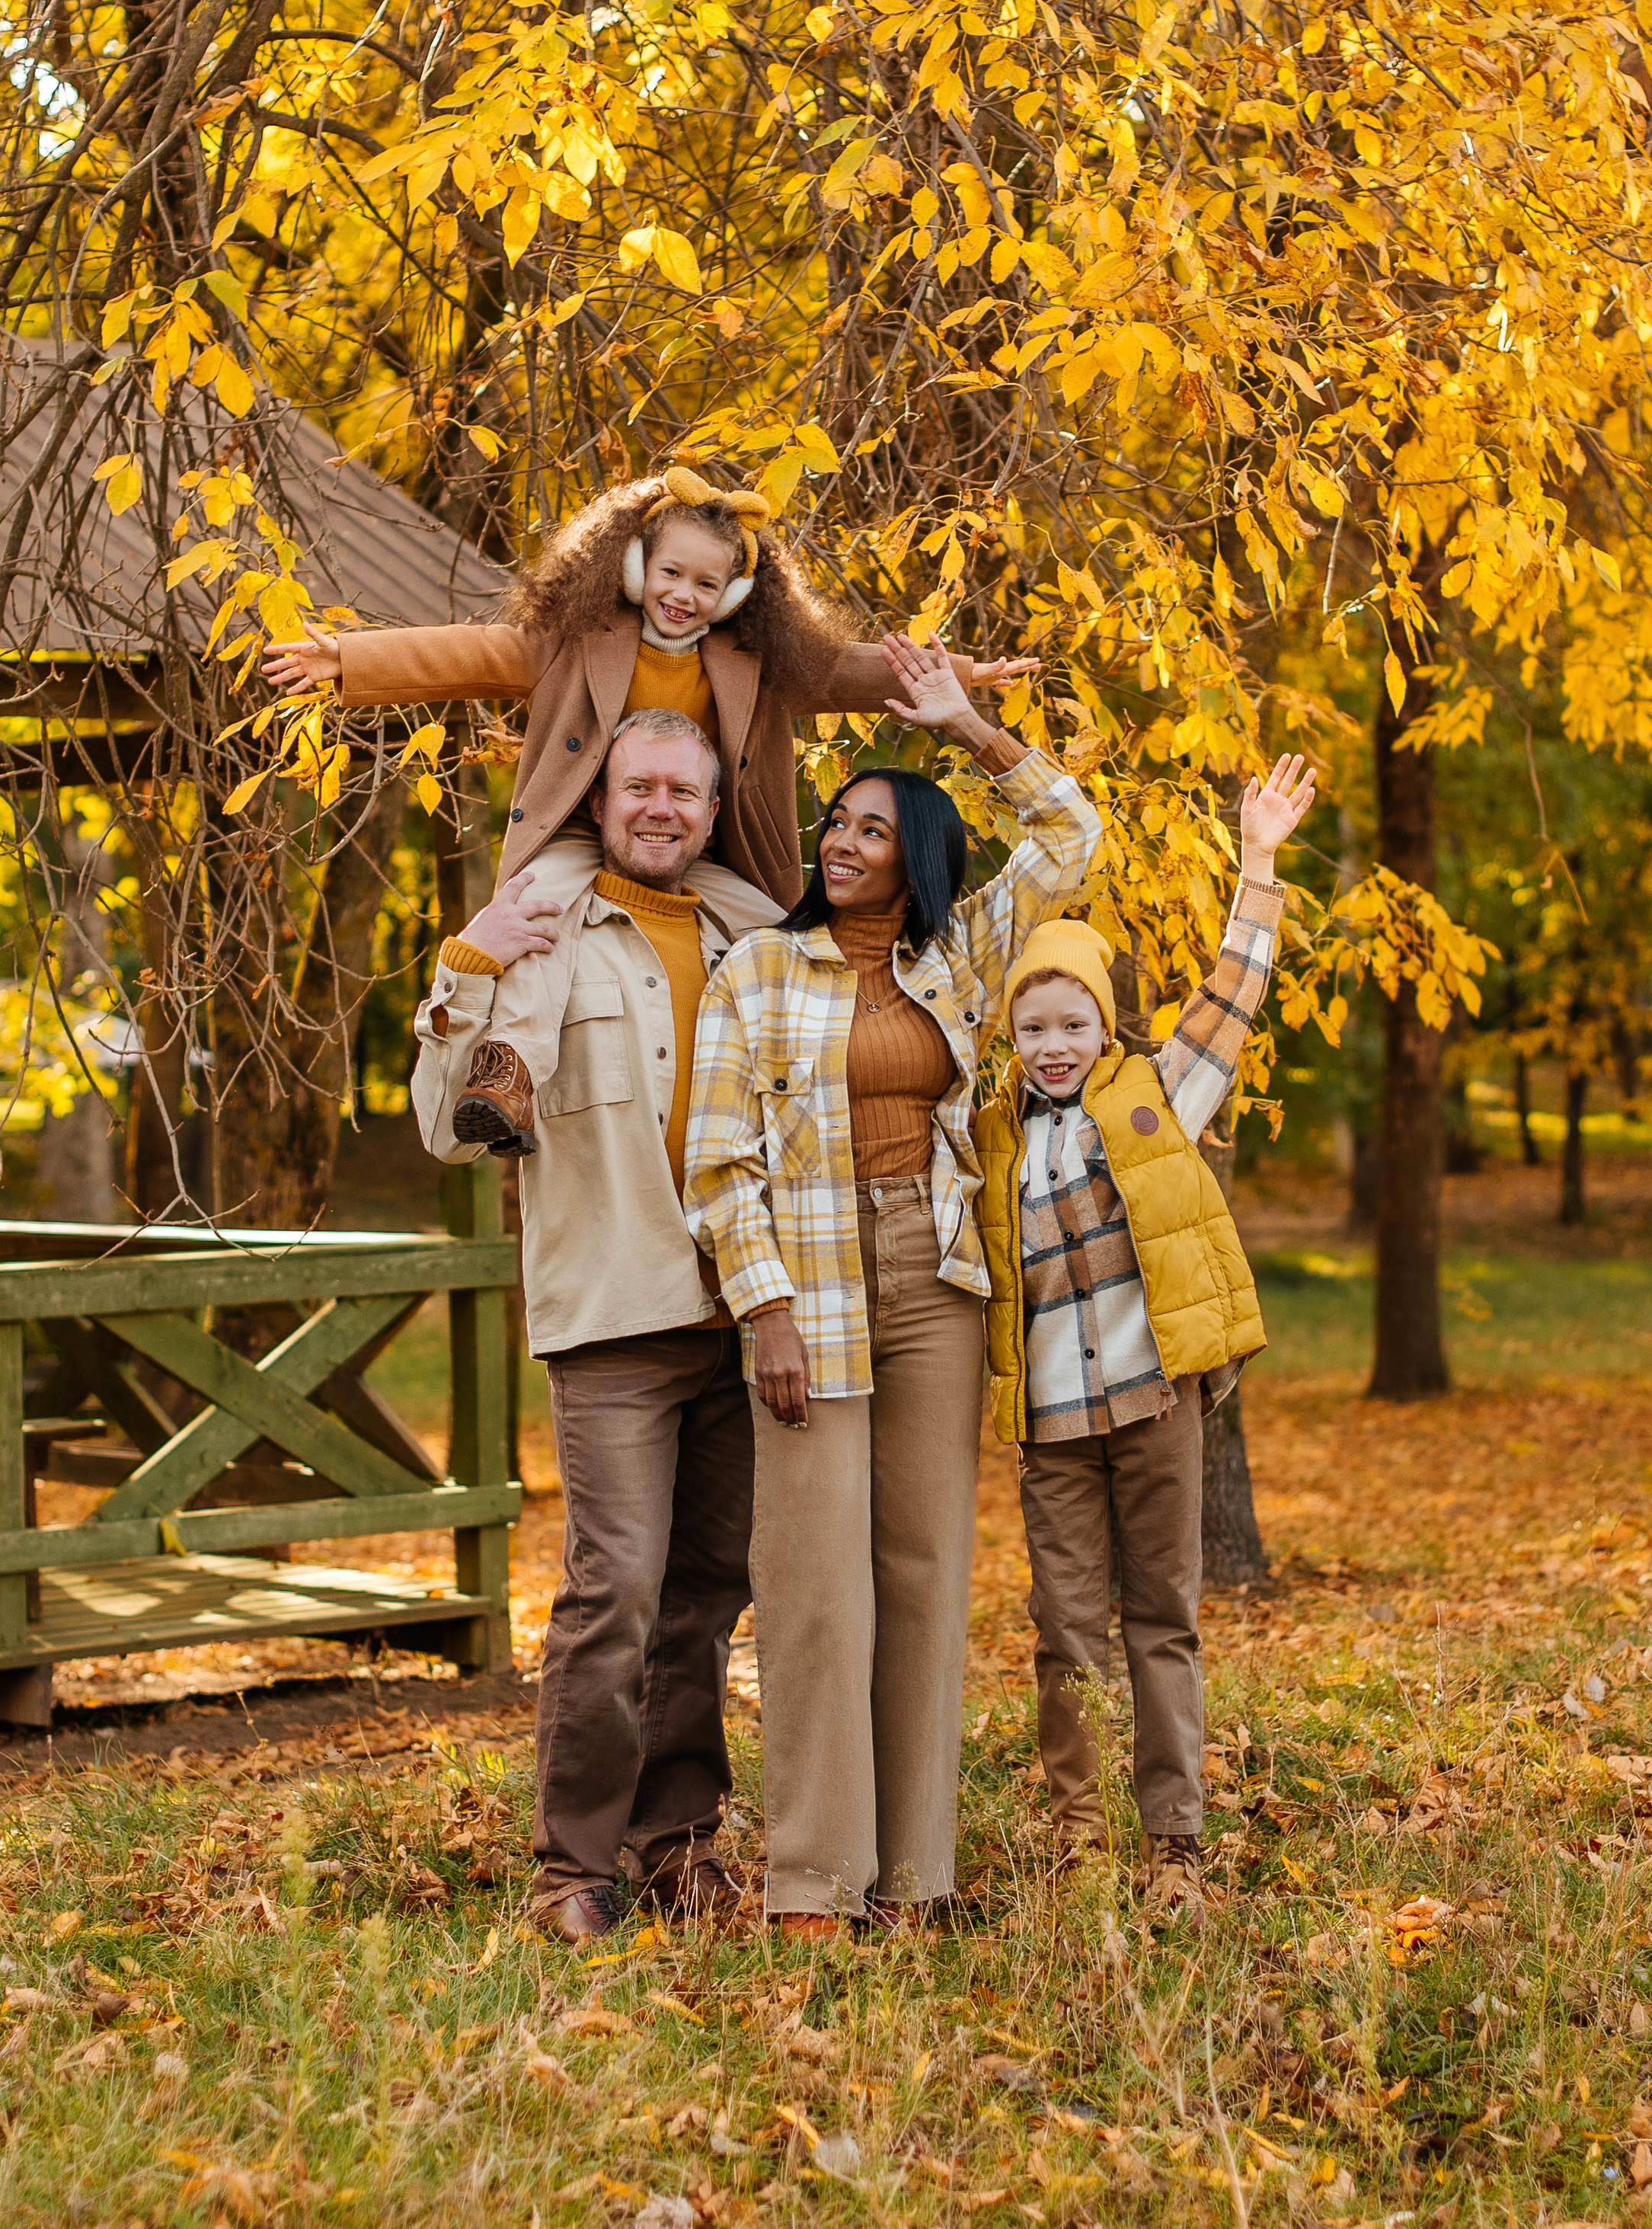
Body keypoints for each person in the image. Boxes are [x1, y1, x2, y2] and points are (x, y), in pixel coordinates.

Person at [684, 638, 1103, 1933]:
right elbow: (714, 1158)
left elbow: (1071, 833)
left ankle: (916, 1878)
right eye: (835, 822)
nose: (841, 841)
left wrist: (969, 726)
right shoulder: (759, 967)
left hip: (935, 1275)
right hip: (807, 1283)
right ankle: (814, 1881)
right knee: (812, 1579)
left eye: (871, 826)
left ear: (915, 851)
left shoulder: (955, 960)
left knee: (922, 1569)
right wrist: (764, 1309)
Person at [266, 467, 1028, 1156]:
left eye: (707, 583)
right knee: (537, 918)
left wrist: (960, 675)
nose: (684, 594)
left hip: (698, 846)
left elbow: (848, 671)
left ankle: (818, 1079)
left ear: (734, 595)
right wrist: (350, 660)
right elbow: (470, 654)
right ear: (632, 567)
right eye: (671, 572)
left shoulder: (752, 662)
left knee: (776, 930)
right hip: (579, 828)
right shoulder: (578, 642)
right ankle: (506, 1075)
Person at [410, 706, 765, 1940]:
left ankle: (680, 1846)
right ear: (602, 802)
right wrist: (466, 966)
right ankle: (575, 1871)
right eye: (640, 787)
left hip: (743, 1314)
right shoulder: (546, 933)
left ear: (714, 810)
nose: (661, 806)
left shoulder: (751, 938)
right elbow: (445, 1131)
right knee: (614, 1591)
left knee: (708, 1598)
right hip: (614, 1317)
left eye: (685, 789)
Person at [976, 753, 1317, 1926]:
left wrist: (1258, 861)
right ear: (1011, 1036)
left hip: (1156, 1406)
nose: (1054, 1043)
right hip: (1054, 1430)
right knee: (1065, 1628)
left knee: (1159, 1618)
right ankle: (1076, 1836)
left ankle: (1173, 1835)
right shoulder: (997, 1145)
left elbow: (1232, 994)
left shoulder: (1156, 1094)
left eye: (1072, 1020)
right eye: (1033, 1026)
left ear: (1103, 1021)